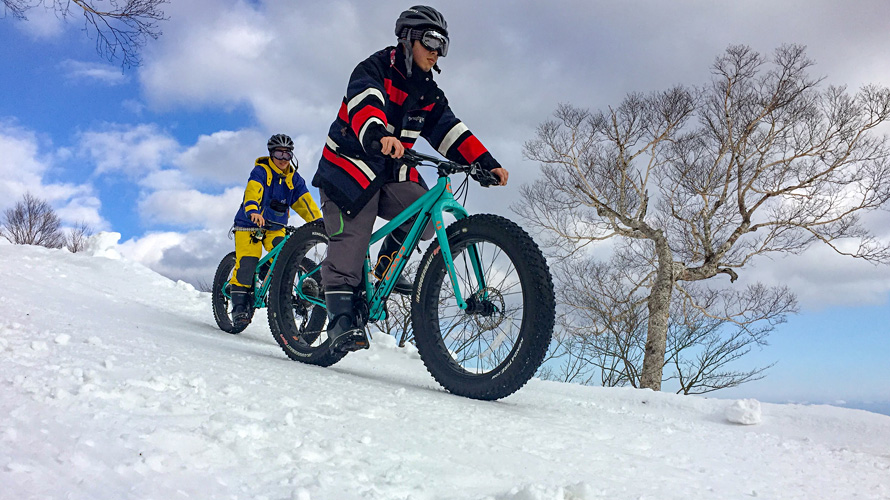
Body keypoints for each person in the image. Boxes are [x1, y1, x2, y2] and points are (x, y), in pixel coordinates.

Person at [312, 5, 509, 353]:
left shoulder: (428, 93)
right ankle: (340, 319)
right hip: (348, 167)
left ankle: (385, 264)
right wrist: (376, 133)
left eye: (443, 46)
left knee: (424, 215)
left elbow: (449, 129)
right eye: (431, 42)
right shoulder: (374, 67)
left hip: (389, 171)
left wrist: (485, 162)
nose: (436, 52)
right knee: (354, 232)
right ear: (408, 39)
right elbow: (365, 102)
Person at [230, 133, 322, 328]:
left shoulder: (294, 180)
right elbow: (252, 192)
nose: (282, 159)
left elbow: (306, 204)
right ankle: (239, 307)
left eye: (287, 155)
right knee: (248, 261)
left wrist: (319, 223)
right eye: (279, 154)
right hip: (250, 225)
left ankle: (268, 272)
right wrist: (253, 210)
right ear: (271, 154)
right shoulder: (261, 172)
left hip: (274, 228)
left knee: (283, 253)